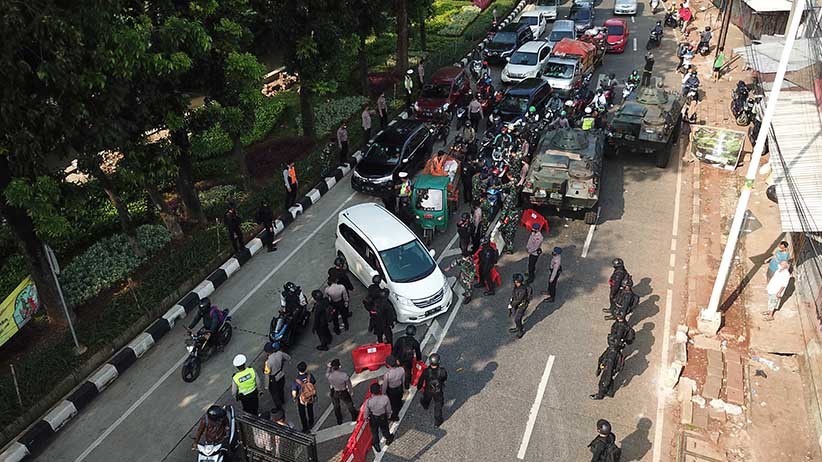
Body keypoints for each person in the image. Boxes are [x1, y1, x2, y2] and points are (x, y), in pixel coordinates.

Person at [417, 353, 448, 427]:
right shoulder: (442, 371)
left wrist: (419, 387)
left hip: (428, 389)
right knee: (438, 406)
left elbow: (421, 380)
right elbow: (444, 378)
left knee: (426, 398)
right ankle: (437, 422)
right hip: (438, 391)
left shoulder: (426, 371)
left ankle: (425, 405)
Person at [590, 335, 624, 400]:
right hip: (611, 368)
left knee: (603, 382)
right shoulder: (615, 351)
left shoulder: (612, 355)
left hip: (608, 368)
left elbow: (609, 370)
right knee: (610, 379)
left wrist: (606, 382)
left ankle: (600, 395)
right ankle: (610, 392)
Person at [326, 359, 358, 425]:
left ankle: (339, 420)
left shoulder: (329, 375)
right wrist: (351, 391)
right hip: (343, 391)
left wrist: (329, 367)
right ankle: (354, 416)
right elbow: (349, 384)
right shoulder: (344, 375)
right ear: (339, 366)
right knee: (349, 404)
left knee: (336, 406)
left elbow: (327, 373)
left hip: (334, 391)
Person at [364, 383, 394, 451]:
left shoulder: (369, 401)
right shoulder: (385, 398)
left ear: (371, 391)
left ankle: (376, 445)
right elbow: (388, 409)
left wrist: (366, 418)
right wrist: (389, 415)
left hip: (374, 418)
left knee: (374, 432)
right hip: (383, 417)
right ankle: (388, 438)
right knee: (385, 429)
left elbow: (366, 412)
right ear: (379, 390)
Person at [264, 342, 291, 414]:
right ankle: (282, 400)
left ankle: (279, 408)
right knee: (281, 389)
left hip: (274, 379)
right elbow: (288, 357)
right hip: (281, 374)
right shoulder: (280, 353)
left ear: (267, 352)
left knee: (275, 394)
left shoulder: (268, 362)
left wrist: (267, 385)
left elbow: (267, 374)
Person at [393, 325, 423, 389]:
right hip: (408, 361)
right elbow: (418, 353)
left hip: (398, 359)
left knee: (397, 372)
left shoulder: (400, 339)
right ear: (414, 333)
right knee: (408, 374)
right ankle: (406, 386)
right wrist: (419, 360)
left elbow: (394, 350)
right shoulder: (415, 342)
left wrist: (395, 359)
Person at [291, 361, 317, 432]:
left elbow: (294, 392)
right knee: (310, 409)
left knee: (302, 413)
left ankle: (305, 427)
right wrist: (314, 394)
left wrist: (294, 398)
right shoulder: (310, 376)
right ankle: (311, 422)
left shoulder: (296, 380)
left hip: (302, 398)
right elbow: (314, 385)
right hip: (310, 396)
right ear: (305, 368)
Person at [508, 273, 533, 339]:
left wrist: (511, 305)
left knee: (517, 318)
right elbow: (514, 294)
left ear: (516, 281)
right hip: (517, 304)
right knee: (515, 316)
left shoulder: (522, 290)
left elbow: (519, 300)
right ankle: (518, 327)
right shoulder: (517, 286)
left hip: (522, 305)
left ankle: (520, 331)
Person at [381, 355, 406, 421]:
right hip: (399, 388)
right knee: (399, 399)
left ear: (388, 365)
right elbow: (403, 380)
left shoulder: (387, 374)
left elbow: (385, 386)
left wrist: (383, 394)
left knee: (393, 404)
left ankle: (395, 416)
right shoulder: (401, 369)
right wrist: (403, 388)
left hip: (392, 391)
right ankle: (400, 405)